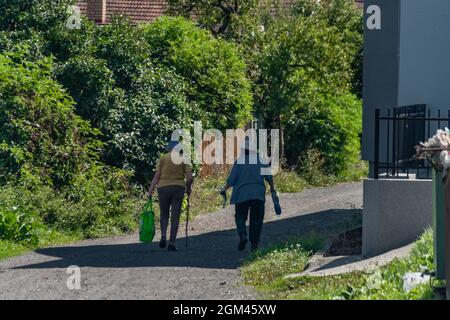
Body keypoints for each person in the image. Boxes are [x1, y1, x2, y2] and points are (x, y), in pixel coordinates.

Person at [220, 138, 276, 252]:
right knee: (256, 219)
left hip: (242, 194)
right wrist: (272, 189)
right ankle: (254, 244)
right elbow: (269, 178)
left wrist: (224, 189)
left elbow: (231, 180)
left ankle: (242, 235)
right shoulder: (261, 160)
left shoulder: (239, 161)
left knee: (240, 216)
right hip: (258, 195)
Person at [148, 141, 193, 252]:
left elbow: (157, 175)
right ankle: (172, 242)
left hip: (163, 188)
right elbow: (189, 177)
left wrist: (150, 190)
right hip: (178, 188)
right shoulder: (184, 158)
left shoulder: (163, 158)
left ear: (169, 148)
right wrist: (188, 188)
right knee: (175, 215)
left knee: (164, 213)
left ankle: (163, 235)